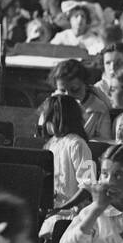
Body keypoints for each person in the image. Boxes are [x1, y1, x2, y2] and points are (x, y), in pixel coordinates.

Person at [38, 93, 95, 223]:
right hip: (53, 211)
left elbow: (88, 186)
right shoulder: (50, 143)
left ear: (57, 118)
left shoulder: (78, 144)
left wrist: (61, 208)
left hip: (71, 214)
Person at [50, 59, 111, 139]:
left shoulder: (99, 110)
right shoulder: (52, 104)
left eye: (75, 90)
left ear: (85, 85)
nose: (68, 96)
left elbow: (104, 142)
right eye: (62, 91)